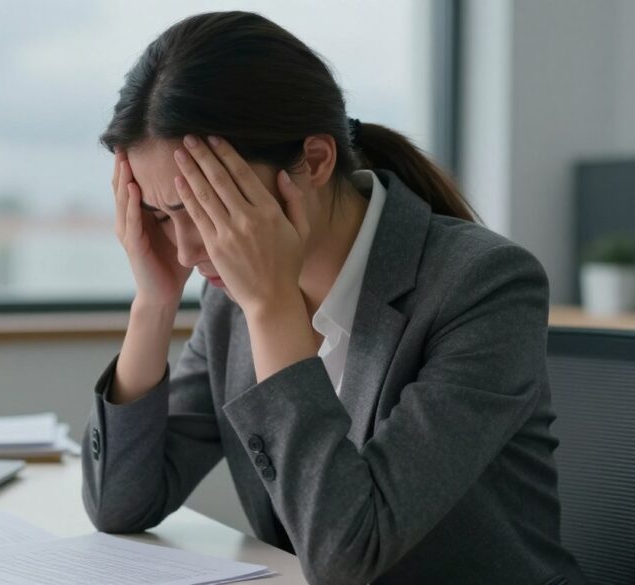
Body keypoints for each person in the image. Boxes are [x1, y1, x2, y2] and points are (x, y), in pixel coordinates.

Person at [81, 11, 586, 585]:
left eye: (208, 208)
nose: (189, 249)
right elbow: (118, 505)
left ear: (315, 162)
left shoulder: (485, 285)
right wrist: (153, 303)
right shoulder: (229, 298)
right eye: (160, 216)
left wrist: (272, 310)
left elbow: (348, 554)